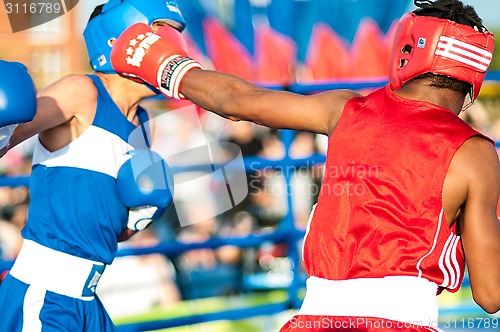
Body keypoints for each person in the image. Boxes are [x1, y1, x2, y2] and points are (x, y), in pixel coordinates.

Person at [110, 0, 499, 330]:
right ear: (473, 73)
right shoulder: (474, 153)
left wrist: (161, 63)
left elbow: (238, 100)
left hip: (313, 319)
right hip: (403, 319)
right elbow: (491, 293)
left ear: (406, 48)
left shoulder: (345, 109)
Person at [0, 1, 179, 331]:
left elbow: (112, 231)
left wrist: (138, 217)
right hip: (44, 295)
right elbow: (5, 139)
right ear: (121, 39)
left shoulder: (143, 123)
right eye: (161, 31)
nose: (172, 45)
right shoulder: (82, 92)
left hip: (88, 301)